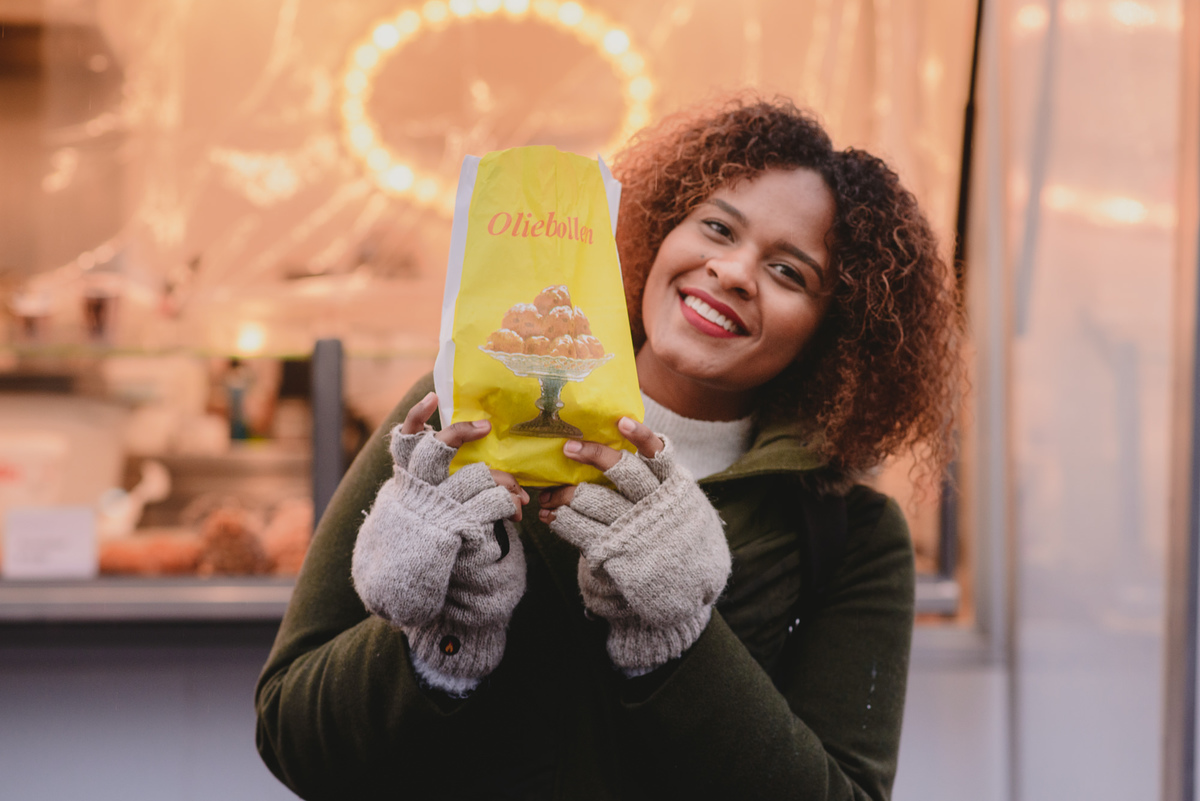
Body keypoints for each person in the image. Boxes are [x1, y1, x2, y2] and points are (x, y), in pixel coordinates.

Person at [255, 95, 962, 800]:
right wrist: (440, 642)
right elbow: (291, 734)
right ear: (659, 230)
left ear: (831, 331)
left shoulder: (850, 536)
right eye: (717, 227)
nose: (735, 271)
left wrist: (681, 638)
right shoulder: (457, 415)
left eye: (790, 272)